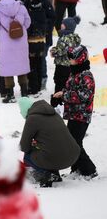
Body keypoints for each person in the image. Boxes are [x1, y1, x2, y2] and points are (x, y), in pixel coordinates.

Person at [52, 45, 97, 178]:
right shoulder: (75, 73)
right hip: (73, 114)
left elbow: (84, 95)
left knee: (74, 143)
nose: (69, 60)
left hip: (82, 116)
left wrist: (64, 95)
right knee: (73, 142)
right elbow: (71, 90)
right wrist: (61, 95)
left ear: (80, 58)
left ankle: (89, 169)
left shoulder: (86, 75)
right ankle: (77, 168)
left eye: (72, 58)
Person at [18, 98, 80, 187]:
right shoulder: (54, 114)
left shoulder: (32, 118)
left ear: (25, 110)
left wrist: (34, 145)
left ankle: (47, 175)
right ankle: (55, 175)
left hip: (56, 158)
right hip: (73, 156)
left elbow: (24, 146)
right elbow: (54, 139)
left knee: (27, 156)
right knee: (49, 149)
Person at [0, 0, 31, 103]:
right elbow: (28, 22)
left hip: (5, 43)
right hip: (21, 42)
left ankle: (10, 94)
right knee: (21, 65)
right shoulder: (21, 7)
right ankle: (24, 92)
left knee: (8, 67)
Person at [24, 0, 55, 96]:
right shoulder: (26, 2)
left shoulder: (44, 2)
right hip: (29, 39)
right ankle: (32, 83)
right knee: (31, 60)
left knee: (42, 59)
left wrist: (43, 28)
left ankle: (42, 80)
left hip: (43, 38)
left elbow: (52, 17)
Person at [50, 16, 81, 99]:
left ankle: (57, 99)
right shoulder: (74, 38)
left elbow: (61, 50)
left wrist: (53, 51)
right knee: (67, 82)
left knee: (59, 81)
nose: (61, 25)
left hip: (62, 65)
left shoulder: (65, 38)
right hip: (70, 65)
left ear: (67, 26)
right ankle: (66, 96)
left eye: (63, 24)